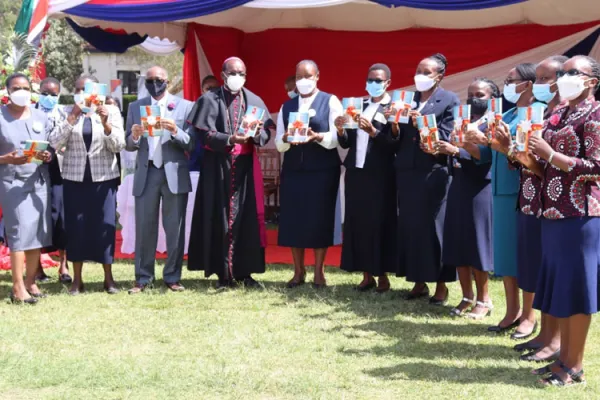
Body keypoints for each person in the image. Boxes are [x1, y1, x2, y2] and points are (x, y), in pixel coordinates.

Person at [526, 55, 600, 387]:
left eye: (573, 73)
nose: (564, 77)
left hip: (581, 214)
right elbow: (547, 170)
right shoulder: (558, 114)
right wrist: (526, 158)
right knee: (561, 289)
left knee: (577, 290)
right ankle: (562, 359)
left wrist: (551, 154)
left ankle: (575, 366)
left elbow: (596, 166)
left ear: (592, 82)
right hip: (553, 212)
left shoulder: (596, 114)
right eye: (564, 72)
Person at [465, 63, 540, 336]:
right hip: (499, 189)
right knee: (506, 255)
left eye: (512, 80)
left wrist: (499, 145)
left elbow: (524, 154)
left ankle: (529, 316)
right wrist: (469, 143)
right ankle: (512, 311)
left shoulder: (535, 113)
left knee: (525, 255)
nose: (507, 84)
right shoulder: (505, 113)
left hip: (524, 190)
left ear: (529, 83)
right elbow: (486, 156)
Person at [187, 57, 272, 290]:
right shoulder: (209, 99)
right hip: (217, 168)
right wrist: (229, 139)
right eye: (233, 73)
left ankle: (245, 273)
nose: (238, 77)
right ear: (223, 74)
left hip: (244, 169)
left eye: (242, 73)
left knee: (245, 221)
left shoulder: (253, 100)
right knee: (219, 218)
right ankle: (222, 273)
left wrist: (255, 135)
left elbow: (265, 133)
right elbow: (202, 135)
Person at [386, 53, 458, 304]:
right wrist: (394, 122)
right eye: (418, 70)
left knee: (433, 228)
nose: (420, 75)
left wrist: (421, 121)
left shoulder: (449, 100)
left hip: (433, 171)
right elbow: (394, 139)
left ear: (439, 76)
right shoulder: (406, 98)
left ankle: (441, 284)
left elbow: (448, 136)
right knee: (410, 227)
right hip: (407, 171)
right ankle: (418, 281)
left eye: (426, 72)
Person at [508, 56, 567, 362]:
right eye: (538, 79)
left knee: (553, 271)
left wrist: (537, 159)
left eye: (545, 79)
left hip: (557, 204)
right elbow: (532, 160)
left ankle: (554, 340)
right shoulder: (541, 111)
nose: (539, 85)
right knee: (537, 268)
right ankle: (544, 334)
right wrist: (515, 152)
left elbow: (556, 167)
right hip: (531, 198)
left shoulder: (568, 115)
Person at [49, 75, 124, 295]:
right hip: (74, 179)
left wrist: (106, 123)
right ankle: (77, 280)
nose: (85, 94)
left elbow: (119, 145)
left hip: (104, 180)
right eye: (81, 90)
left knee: (105, 226)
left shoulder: (112, 111)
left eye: (89, 89)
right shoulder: (64, 112)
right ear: (75, 92)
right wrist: (73, 116)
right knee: (76, 228)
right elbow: (54, 142)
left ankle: (108, 278)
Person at [126, 66, 194, 293]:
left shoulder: (185, 106)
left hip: (174, 173)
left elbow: (192, 143)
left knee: (175, 228)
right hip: (147, 174)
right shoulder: (135, 107)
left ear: (167, 82)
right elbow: (128, 143)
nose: (155, 83)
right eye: (150, 80)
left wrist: (175, 130)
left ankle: (172, 276)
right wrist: (134, 136)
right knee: (145, 228)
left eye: (159, 80)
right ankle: (143, 277)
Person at [277, 60, 342, 289]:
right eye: (298, 77)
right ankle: (298, 271)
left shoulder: (330, 100)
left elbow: (338, 137)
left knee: (320, 220)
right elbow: (278, 143)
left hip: (323, 170)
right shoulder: (287, 106)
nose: (302, 81)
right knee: (294, 220)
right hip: (294, 170)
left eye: (308, 76)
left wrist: (318, 137)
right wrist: (285, 139)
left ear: (317, 76)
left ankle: (319, 271)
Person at [436, 78, 497, 318]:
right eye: (470, 94)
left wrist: (457, 150)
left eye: (480, 94)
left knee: (477, 244)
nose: (473, 99)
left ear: (492, 98)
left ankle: (484, 299)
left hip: (480, 187)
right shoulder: (462, 121)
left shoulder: (494, 123)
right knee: (458, 243)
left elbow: (489, 157)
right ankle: (466, 296)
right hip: (459, 184)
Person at [338, 63, 396, 293]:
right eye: (370, 79)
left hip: (380, 174)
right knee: (357, 222)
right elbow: (346, 143)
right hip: (356, 172)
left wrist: (374, 131)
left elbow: (394, 144)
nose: (373, 84)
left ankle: (382, 275)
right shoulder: (357, 106)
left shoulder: (392, 108)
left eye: (378, 80)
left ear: (388, 82)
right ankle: (365, 274)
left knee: (378, 223)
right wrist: (341, 129)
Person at [0, 73, 53, 303]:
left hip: (38, 182)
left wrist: (47, 155)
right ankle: (18, 287)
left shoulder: (41, 116)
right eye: (16, 87)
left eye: (25, 87)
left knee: (36, 234)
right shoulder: (1, 117)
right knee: (18, 234)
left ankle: (31, 282)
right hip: (13, 183)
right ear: (7, 91)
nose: (21, 91)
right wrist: (5, 159)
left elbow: (48, 147)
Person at [33, 76, 72, 284]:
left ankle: (63, 265)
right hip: (35, 170)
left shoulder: (65, 112)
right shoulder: (29, 112)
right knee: (38, 215)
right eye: (45, 93)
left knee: (61, 215)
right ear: (39, 91)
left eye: (54, 94)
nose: (49, 97)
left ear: (59, 95)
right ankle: (37, 267)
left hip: (60, 170)